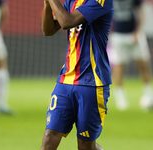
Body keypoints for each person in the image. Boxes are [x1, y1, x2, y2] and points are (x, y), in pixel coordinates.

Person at [40, 0, 113, 149]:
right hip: (65, 80)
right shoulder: (72, 1)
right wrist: (47, 5)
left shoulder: (101, 1)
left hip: (92, 81)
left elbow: (68, 21)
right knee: (49, 136)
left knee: (85, 146)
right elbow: (48, 30)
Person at [108, 0, 153, 111]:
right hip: (118, 36)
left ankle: (149, 94)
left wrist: (138, 31)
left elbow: (141, 12)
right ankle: (120, 98)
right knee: (119, 66)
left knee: (143, 64)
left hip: (135, 34)